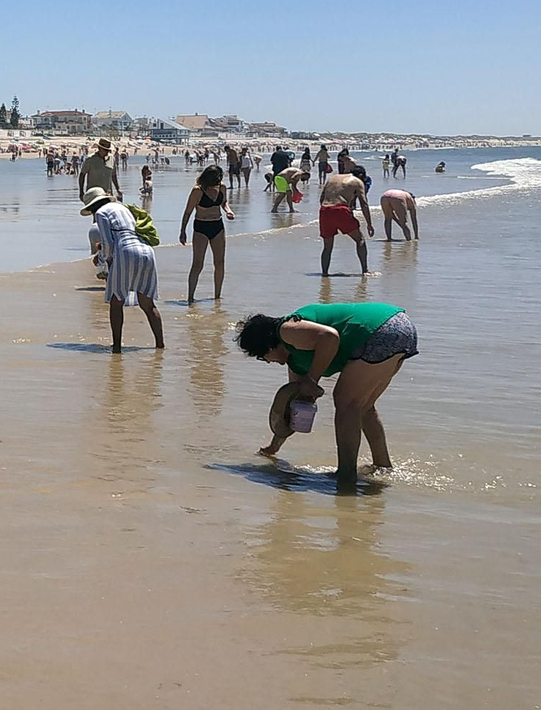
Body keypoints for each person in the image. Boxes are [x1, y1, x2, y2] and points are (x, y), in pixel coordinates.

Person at [236, 302, 418, 481]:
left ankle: (346, 475)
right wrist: (273, 447)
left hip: (379, 330)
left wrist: (312, 379)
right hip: (400, 327)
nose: (267, 362)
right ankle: (383, 466)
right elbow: (292, 410)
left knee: (345, 401)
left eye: (262, 357)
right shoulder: (295, 364)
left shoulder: (286, 330)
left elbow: (329, 337)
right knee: (363, 406)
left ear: (267, 346)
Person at [82, 185, 163, 352]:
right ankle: (160, 345)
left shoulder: (101, 213)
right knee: (147, 304)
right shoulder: (122, 207)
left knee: (116, 302)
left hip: (126, 251)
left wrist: (100, 259)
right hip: (146, 250)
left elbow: (108, 244)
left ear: (92, 206)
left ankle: (117, 347)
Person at [179, 165, 235, 303]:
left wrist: (228, 210)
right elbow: (188, 212)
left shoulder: (221, 187)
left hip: (217, 225)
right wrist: (183, 231)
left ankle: (217, 296)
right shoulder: (197, 191)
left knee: (220, 262)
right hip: (201, 227)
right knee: (198, 263)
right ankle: (190, 297)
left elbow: (224, 202)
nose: (219, 181)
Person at [317, 173, 374, 276]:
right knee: (360, 239)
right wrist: (369, 224)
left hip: (325, 210)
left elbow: (321, 199)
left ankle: (324, 273)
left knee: (327, 247)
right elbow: (364, 203)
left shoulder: (332, 178)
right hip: (341, 210)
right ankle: (365, 270)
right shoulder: (357, 181)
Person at [79, 138, 122, 203]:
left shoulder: (111, 158)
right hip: (93, 195)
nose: (107, 152)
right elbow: (82, 175)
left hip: (107, 194)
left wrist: (118, 189)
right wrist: (81, 192)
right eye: (105, 150)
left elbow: (113, 175)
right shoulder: (90, 159)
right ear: (99, 148)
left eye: (108, 150)